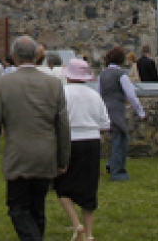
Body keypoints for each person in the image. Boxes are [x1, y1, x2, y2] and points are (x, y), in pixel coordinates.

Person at [0, 36, 70, 241]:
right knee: (37, 207)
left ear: (14, 57)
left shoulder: (3, 85)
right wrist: (63, 159)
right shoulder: (53, 84)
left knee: (18, 208)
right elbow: (63, 126)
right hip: (46, 155)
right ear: (37, 55)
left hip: (18, 156)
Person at [54, 58, 111, 241]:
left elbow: (54, 120)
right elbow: (105, 124)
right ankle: (89, 233)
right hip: (92, 141)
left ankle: (77, 224)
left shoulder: (62, 93)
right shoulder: (94, 95)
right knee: (89, 188)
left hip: (69, 141)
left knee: (61, 185)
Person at [97, 46, 146, 181]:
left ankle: (111, 163)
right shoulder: (121, 75)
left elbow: (98, 93)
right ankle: (117, 171)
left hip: (105, 108)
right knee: (121, 138)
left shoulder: (102, 74)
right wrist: (140, 112)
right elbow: (131, 95)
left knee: (115, 138)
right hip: (117, 109)